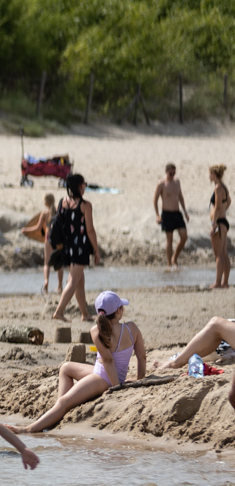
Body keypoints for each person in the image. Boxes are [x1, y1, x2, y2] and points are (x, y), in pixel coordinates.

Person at [12, 291, 145, 434]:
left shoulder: (96, 330)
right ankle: (58, 411)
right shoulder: (132, 328)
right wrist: (139, 378)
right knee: (65, 368)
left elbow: (108, 360)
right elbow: (142, 357)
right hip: (108, 375)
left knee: (64, 403)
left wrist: (116, 387)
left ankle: (29, 428)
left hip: (104, 379)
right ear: (119, 311)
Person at [52, 174, 102, 321]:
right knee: (73, 281)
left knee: (79, 280)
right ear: (79, 186)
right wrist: (96, 250)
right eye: (84, 184)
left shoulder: (61, 203)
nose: (85, 186)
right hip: (80, 247)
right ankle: (59, 312)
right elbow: (90, 230)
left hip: (66, 248)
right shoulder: (85, 205)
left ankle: (85, 314)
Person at [23, 194, 63, 295]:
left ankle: (46, 282)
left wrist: (25, 230)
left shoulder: (44, 213)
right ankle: (59, 286)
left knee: (47, 263)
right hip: (58, 238)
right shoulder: (59, 212)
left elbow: (37, 228)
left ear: (46, 203)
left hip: (48, 238)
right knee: (59, 262)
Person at [153, 163, 189, 270]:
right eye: (170, 173)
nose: (172, 175)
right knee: (170, 239)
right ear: (166, 172)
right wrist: (157, 215)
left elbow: (180, 197)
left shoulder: (177, 182)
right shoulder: (161, 184)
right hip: (167, 214)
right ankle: (169, 263)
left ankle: (175, 258)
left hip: (177, 213)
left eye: (174, 173)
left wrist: (185, 211)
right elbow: (155, 200)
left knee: (184, 236)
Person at [210, 165, 230, 289]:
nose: (209, 176)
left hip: (219, 222)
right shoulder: (224, 186)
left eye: (210, 174)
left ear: (214, 174)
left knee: (219, 254)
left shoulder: (218, 188)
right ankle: (225, 282)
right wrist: (224, 210)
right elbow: (229, 201)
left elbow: (217, 206)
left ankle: (218, 282)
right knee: (224, 252)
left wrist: (214, 222)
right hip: (223, 221)